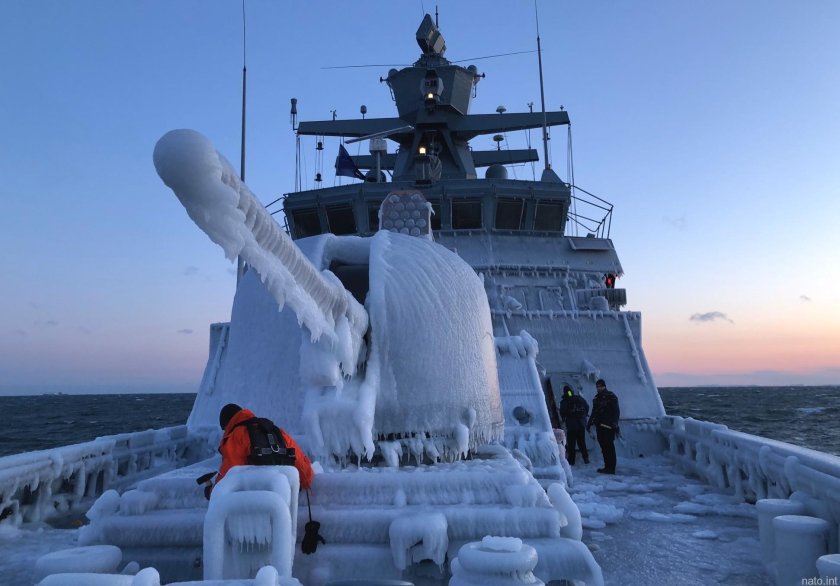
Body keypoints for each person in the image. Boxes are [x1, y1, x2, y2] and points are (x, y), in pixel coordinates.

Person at [212, 403, 314, 494]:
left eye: (224, 429)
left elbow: (228, 474)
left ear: (228, 424)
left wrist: (212, 491)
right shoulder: (274, 430)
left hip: (256, 500)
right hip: (284, 496)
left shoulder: (236, 436)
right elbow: (300, 461)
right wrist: (306, 481)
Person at [587, 379, 620, 474]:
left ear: (604, 386)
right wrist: (589, 423)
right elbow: (594, 412)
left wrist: (615, 423)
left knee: (609, 447)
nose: (598, 388)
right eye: (597, 386)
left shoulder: (611, 396)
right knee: (604, 447)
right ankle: (607, 466)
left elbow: (616, 411)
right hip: (599, 426)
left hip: (608, 426)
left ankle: (611, 468)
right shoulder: (597, 398)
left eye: (600, 386)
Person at [559, 385, 589, 465]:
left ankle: (572, 460)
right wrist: (584, 416)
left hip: (572, 426)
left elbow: (562, 411)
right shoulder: (579, 398)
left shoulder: (565, 401)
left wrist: (564, 418)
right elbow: (587, 406)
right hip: (581, 424)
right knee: (582, 442)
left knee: (571, 444)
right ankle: (586, 458)